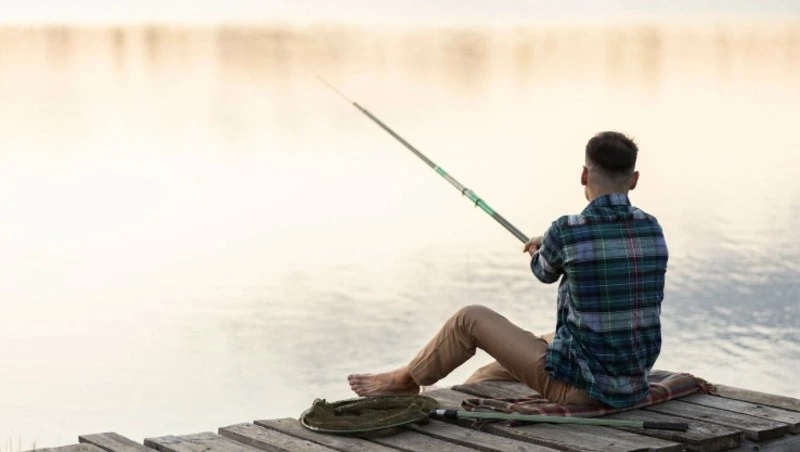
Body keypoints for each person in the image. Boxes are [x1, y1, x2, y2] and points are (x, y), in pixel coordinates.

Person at [347, 131, 668, 409]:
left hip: (581, 391)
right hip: (633, 384)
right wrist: (553, 243)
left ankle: (404, 380)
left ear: (584, 175)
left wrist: (541, 248)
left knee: (468, 319)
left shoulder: (567, 231)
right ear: (634, 179)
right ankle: (460, 383)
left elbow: (543, 271)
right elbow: (599, 253)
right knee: (506, 362)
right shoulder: (652, 229)